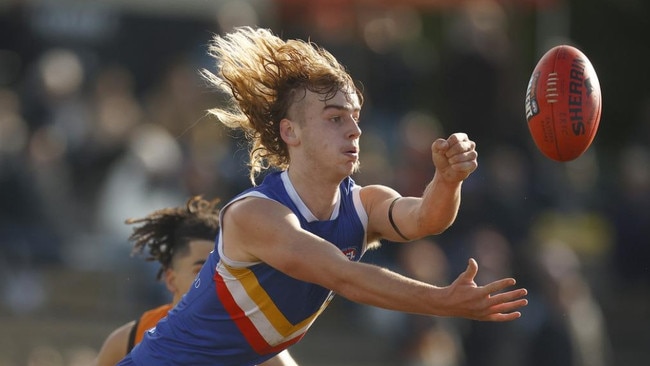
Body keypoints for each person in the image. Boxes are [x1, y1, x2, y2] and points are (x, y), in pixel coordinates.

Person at [118, 26, 528, 366]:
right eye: (334, 118)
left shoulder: (363, 203)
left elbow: (427, 219)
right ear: (289, 132)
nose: (354, 130)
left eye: (355, 118)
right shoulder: (255, 214)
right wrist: (445, 301)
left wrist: (448, 179)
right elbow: (344, 276)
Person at [95, 195, 297, 365]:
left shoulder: (254, 343)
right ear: (171, 279)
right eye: (201, 270)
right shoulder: (127, 340)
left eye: (223, 271)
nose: (216, 279)